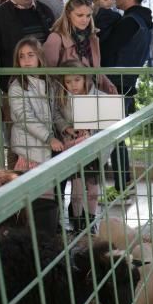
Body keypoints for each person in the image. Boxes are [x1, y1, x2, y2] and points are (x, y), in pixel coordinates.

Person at [100, 0, 153, 192]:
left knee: (113, 138)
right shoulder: (141, 21)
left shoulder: (129, 22)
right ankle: (123, 185)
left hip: (116, 86)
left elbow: (107, 50)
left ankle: (122, 186)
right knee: (115, 137)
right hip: (125, 85)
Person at [55, 59, 107, 231]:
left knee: (93, 190)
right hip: (74, 148)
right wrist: (67, 128)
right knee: (76, 190)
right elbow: (56, 116)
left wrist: (91, 130)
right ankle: (77, 221)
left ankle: (91, 221)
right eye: (68, 81)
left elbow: (107, 121)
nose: (73, 85)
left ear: (85, 78)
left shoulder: (97, 96)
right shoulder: (63, 98)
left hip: (93, 150)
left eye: (77, 80)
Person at [42, 0, 117, 95]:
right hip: (67, 98)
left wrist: (108, 84)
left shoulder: (92, 38)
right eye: (79, 15)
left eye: (88, 15)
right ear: (68, 14)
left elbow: (96, 68)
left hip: (92, 94)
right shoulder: (56, 38)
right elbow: (48, 74)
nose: (85, 20)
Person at [8, 37, 62, 170]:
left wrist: (65, 127)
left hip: (45, 146)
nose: (26, 60)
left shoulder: (49, 83)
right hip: (27, 151)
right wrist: (49, 138)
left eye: (30, 55)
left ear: (39, 57)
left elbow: (54, 112)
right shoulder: (17, 87)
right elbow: (25, 117)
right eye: (21, 56)